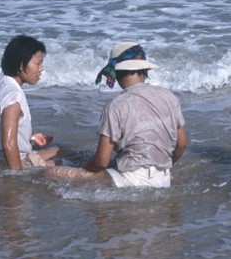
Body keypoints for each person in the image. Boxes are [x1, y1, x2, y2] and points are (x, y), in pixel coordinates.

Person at [48, 42, 188, 188]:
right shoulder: (169, 96)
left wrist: (84, 166)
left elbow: (101, 162)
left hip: (131, 180)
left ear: (115, 72)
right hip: (164, 177)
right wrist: (164, 166)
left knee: (53, 172)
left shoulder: (116, 106)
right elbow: (182, 144)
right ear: (144, 69)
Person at [0, 35, 59, 170]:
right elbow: (8, 145)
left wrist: (31, 139)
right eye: (37, 63)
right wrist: (17, 179)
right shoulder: (13, 96)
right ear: (21, 65)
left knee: (60, 151)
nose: (41, 69)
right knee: (68, 162)